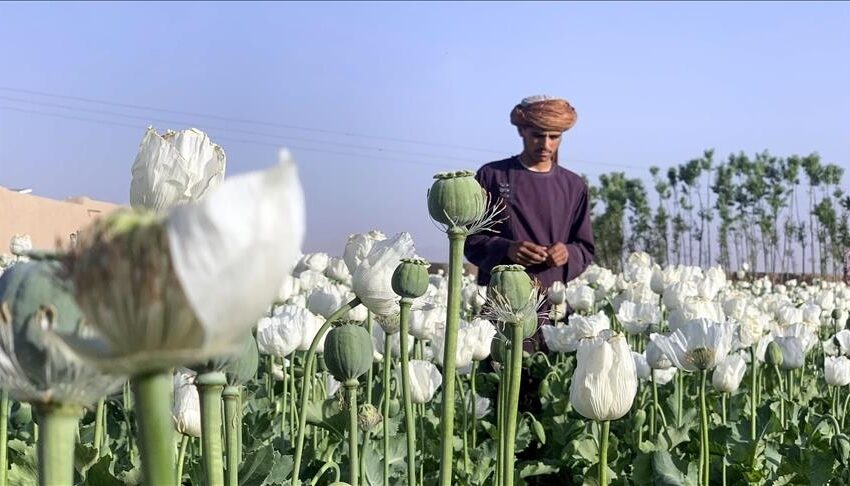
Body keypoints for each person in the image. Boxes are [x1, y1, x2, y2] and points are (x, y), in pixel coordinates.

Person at [465, 94, 595, 293]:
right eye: (537, 135)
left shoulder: (574, 186)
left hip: (553, 303)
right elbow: (470, 241)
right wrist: (507, 249)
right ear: (521, 130)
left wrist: (566, 253)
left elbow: (585, 248)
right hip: (502, 301)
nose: (546, 145)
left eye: (554, 137)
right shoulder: (491, 176)